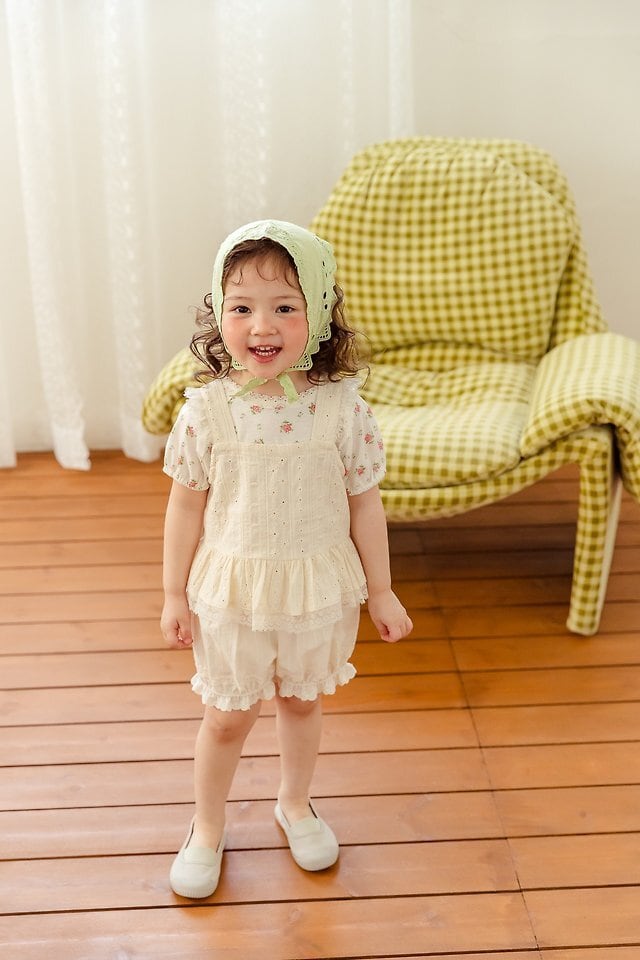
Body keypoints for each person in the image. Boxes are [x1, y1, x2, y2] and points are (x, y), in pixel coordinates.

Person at [161, 219, 413, 899]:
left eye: (284, 307)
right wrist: (173, 593)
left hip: (314, 588)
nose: (262, 325)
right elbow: (185, 506)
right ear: (220, 315)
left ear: (319, 316)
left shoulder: (342, 410)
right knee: (226, 717)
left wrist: (382, 590)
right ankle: (206, 827)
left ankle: (295, 804)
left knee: (301, 703)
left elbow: (365, 504)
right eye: (242, 307)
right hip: (233, 591)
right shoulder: (207, 410)